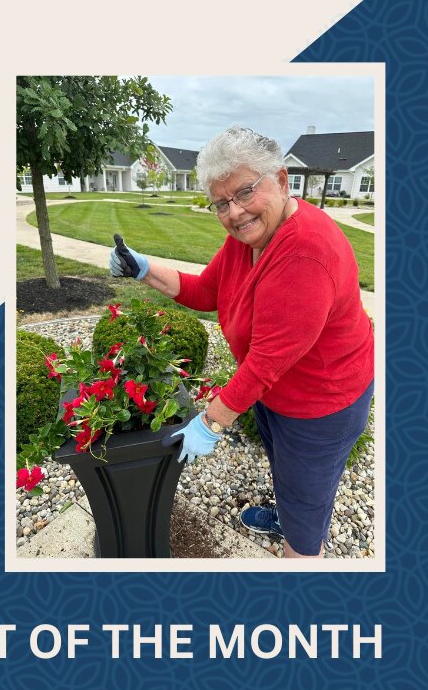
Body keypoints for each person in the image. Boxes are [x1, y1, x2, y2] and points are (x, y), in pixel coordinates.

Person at [109, 126, 374, 559]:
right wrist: (143, 269)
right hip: (281, 396)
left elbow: (266, 363)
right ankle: (289, 513)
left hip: (323, 404)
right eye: (221, 203)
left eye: (245, 192)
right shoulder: (247, 238)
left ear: (283, 181)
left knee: (308, 504)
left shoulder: (305, 252)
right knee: (289, 474)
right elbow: (206, 291)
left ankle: (301, 553)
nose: (234, 212)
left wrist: (209, 423)